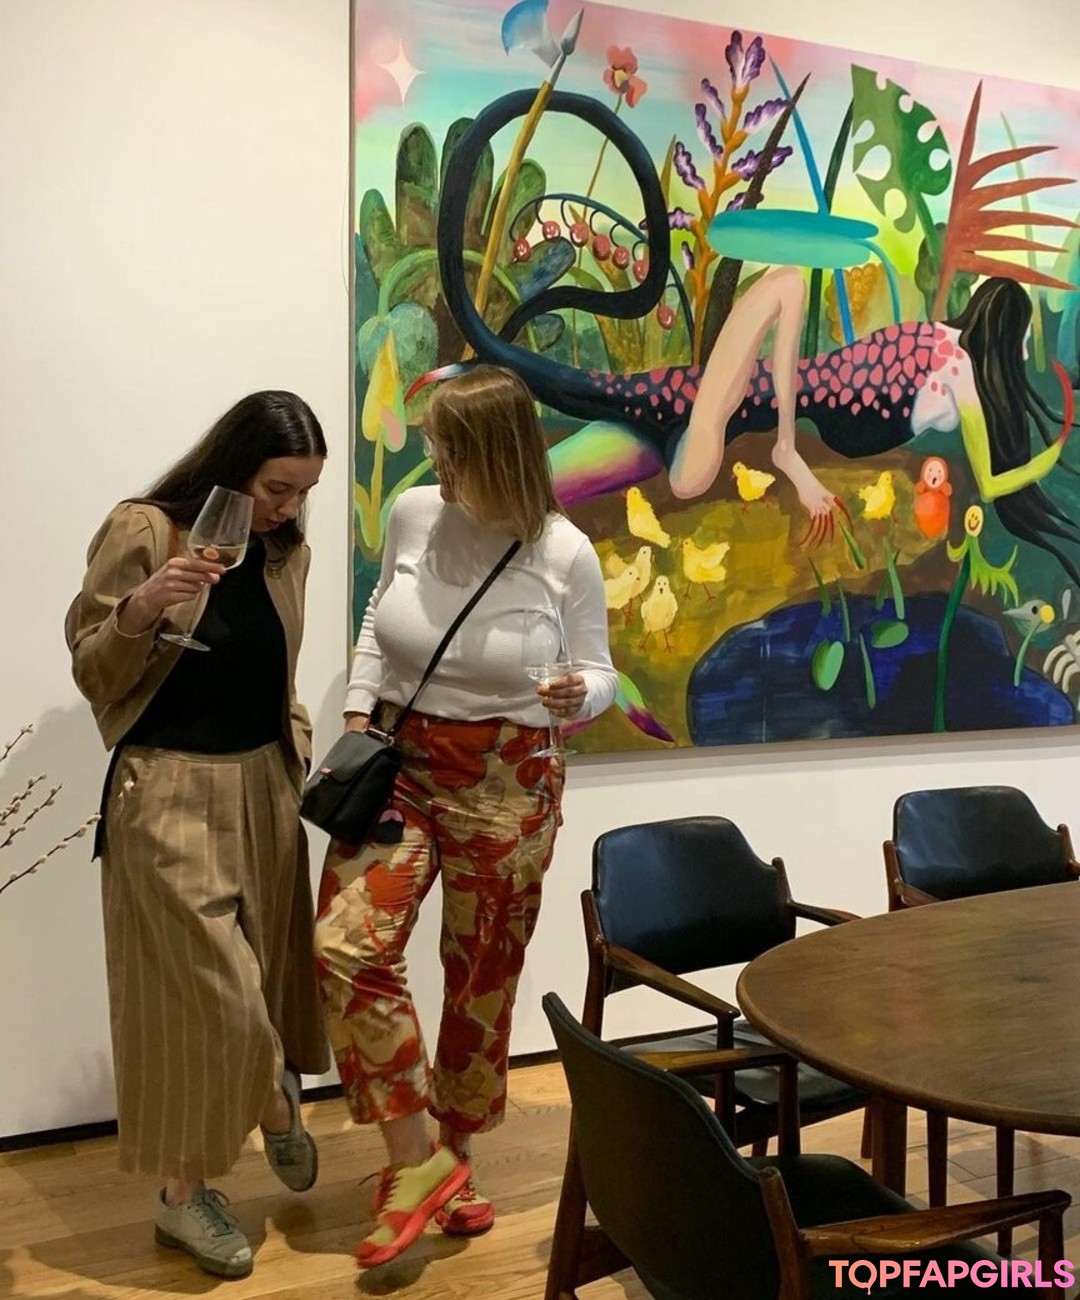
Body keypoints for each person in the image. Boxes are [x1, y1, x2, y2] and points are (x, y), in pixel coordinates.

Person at [314, 364, 617, 1268]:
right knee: (346, 944)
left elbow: (600, 671)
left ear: (494, 452)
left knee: (478, 977)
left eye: (448, 449)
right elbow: (380, 617)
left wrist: (579, 694)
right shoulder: (414, 514)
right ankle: (417, 1161)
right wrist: (359, 711)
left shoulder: (563, 552)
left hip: (509, 780)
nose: (433, 463)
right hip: (401, 763)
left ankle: (457, 1160)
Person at [66, 391, 330, 1280]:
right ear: (232, 467)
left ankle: (191, 1187)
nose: (288, 508)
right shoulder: (146, 529)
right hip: (167, 790)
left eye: (303, 492)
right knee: (210, 1001)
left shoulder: (287, 552)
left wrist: (295, 752)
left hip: (263, 789)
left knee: (248, 986)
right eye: (276, 488)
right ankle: (268, 1114)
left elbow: (280, 675)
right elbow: (93, 670)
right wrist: (143, 606)